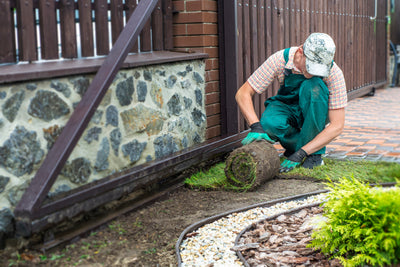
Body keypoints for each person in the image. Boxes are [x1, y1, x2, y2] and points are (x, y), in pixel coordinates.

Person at [235, 33, 347, 172]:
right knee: (269, 124)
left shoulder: (334, 72)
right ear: (301, 52)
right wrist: (256, 126)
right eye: (310, 67)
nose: (313, 73)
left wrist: (302, 154)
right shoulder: (280, 59)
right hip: (287, 106)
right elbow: (243, 93)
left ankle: (313, 154)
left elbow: (337, 125)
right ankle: (295, 148)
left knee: (314, 86)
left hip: (314, 110)